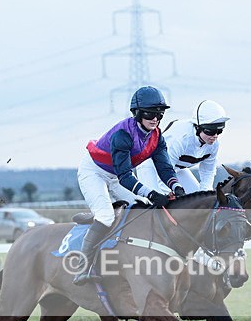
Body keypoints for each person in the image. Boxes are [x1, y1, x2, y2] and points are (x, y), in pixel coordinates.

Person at [74, 86, 185, 285]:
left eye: (160, 114)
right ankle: (82, 267)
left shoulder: (156, 136)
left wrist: (176, 186)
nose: (156, 118)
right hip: (95, 172)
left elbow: (165, 167)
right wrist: (152, 193)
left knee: (144, 207)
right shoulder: (123, 135)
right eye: (151, 113)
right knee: (106, 216)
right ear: (138, 113)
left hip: (115, 175)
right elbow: (125, 176)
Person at [136, 100, 229, 194]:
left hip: (177, 169)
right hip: (151, 165)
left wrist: (206, 193)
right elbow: (164, 170)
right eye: (211, 131)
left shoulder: (214, 145)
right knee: (159, 201)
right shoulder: (180, 139)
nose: (215, 136)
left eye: (219, 131)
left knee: (198, 200)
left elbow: (208, 172)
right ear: (197, 127)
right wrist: (169, 195)